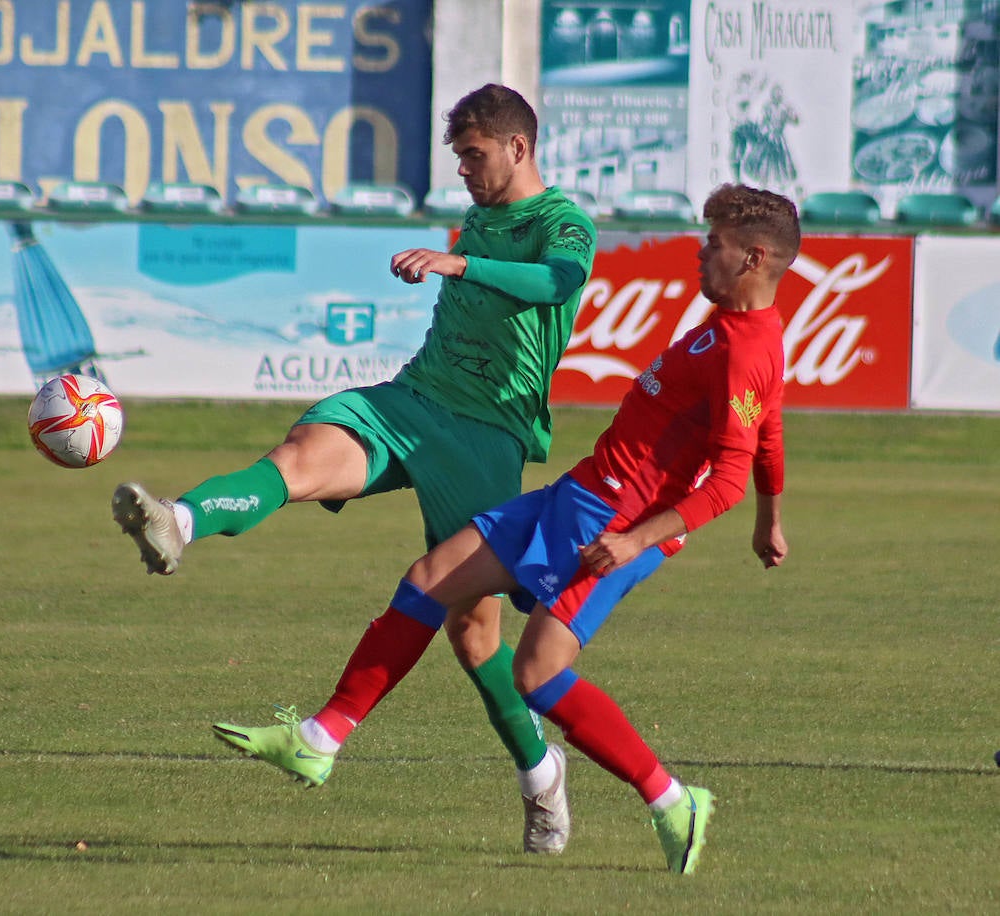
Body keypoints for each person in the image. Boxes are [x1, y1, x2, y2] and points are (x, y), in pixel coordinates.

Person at [215, 183, 796, 874]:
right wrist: (772, 518)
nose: (702, 255)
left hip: (616, 521)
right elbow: (770, 433)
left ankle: (672, 799)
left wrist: (637, 539)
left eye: (717, 245)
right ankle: (321, 735)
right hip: (581, 491)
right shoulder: (729, 327)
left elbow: (729, 472)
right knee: (430, 580)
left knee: (537, 673)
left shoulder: (746, 349)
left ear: (755, 257)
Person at [113, 83, 597, 854]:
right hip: (411, 399)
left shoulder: (562, 223)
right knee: (301, 455)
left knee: (475, 640)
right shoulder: (479, 213)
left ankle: (541, 777)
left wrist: (460, 263)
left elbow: (558, 284)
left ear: (519, 147)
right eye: (459, 158)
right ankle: (181, 521)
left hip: (487, 436)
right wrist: (458, 259)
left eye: (474, 156)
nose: (465, 171)